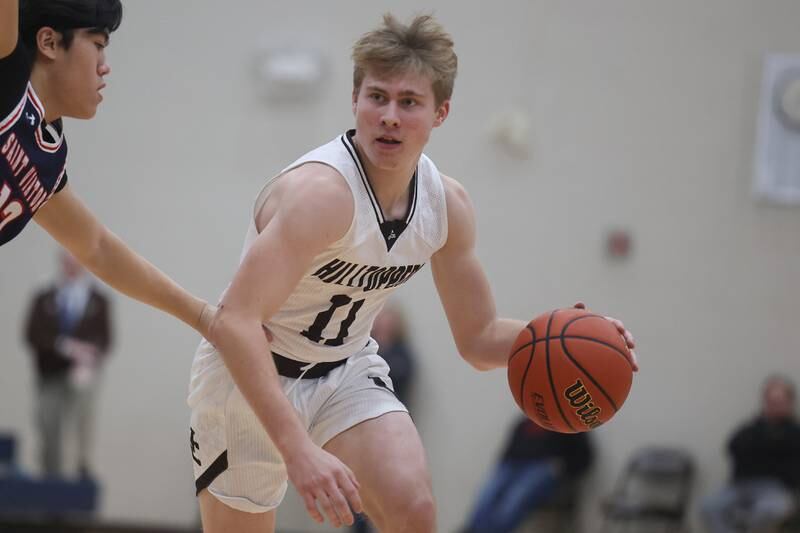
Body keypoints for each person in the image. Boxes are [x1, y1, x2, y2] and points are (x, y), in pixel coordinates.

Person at [189, 13, 638, 533]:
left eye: (409, 102)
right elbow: (236, 321)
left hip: (342, 368)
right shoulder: (321, 195)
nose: (389, 117)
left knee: (414, 511)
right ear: (354, 99)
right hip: (250, 372)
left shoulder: (446, 206)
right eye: (377, 97)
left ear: (440, 112)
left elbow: (478, 337)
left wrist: (569, 337)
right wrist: (298, 450)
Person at [1, 1, 215, 338]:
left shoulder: (46, 162)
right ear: (49, 42)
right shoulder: (7, 74)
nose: (105, 67)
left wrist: (204, 319)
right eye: (98, 45)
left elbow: (97, 248)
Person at [24, 249, 112, 478]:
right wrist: (64, 347)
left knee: (83, 418)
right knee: (48, 422)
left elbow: (105, 340)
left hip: (82, 374)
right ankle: (50, 474)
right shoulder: (45, 296)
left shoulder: (98, 300)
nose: (72, 266)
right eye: (68, 261)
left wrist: (88, 357)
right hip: (50, 373)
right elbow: (32, 334)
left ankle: (81, 466)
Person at [461, 416, 593, 533]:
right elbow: (507, 453)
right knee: (487, 494)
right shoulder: (523, 424)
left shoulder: (569, 426)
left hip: (542, 470)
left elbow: (583, 458)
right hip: (513, 466)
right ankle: (472, 529)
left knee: (514, 500)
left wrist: (560, 467)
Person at [702, 375, 800, 533]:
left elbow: (788, 466)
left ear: (789, 403)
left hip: (776, 489)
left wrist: (760, 453)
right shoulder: (751, 427)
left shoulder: (794, 433)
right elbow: (733, 447)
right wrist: (767, 451)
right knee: (709, 505)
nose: (774, 406)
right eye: (770, 401)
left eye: (779, 402)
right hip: (740, 486)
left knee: (769, 509)